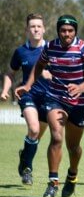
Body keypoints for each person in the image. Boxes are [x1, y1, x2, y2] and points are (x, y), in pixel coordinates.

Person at [15, 14, 84, 197]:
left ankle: (72, 174)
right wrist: (28, 85)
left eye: (70, 31)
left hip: (78, 103)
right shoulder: (50, 47)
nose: (66, 34)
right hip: (55, 98)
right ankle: (53, 182)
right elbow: (39, 65)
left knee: (74, 147)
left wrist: (81, 87)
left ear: (75, 32)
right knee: (56, 137)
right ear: (58, 31)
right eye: (63, 30)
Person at [1, 13, 51, 186]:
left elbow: (63, 73)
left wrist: (50, 74)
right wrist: (5, 90)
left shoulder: (52, 49)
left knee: (35, 137)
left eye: (39, 26)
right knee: (34, 129)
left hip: (48, 98)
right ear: (27, 30)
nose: (36, 29)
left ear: (44, 29)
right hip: (27, 95)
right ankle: (27, 169)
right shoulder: (20, 52)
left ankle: (25, 156)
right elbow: (10, 73)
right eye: (32, 26)